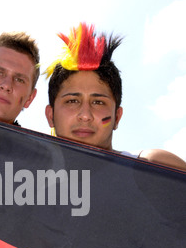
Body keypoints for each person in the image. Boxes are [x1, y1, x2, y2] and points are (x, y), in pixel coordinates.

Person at [45, 23, 186, 171]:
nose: (85, 115)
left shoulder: (153, 165)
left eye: (98, 102)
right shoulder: (28, 181)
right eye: (72, 101)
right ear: (50, 115)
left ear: (117, 117)